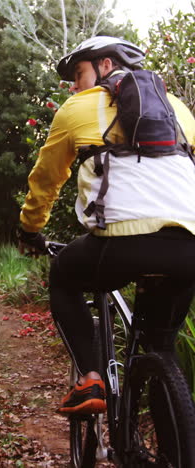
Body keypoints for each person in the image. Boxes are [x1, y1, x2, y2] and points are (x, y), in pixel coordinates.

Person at [19, 36, 195, 415]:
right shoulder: (177, 108)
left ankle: (90, 380)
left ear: (105, 66)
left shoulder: (77, 108)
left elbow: (46, 179)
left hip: (119, 244)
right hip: (188, 246)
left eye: (79, 73)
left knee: (64, 276)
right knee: (161, 349)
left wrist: (31, 229)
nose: (74, 85)